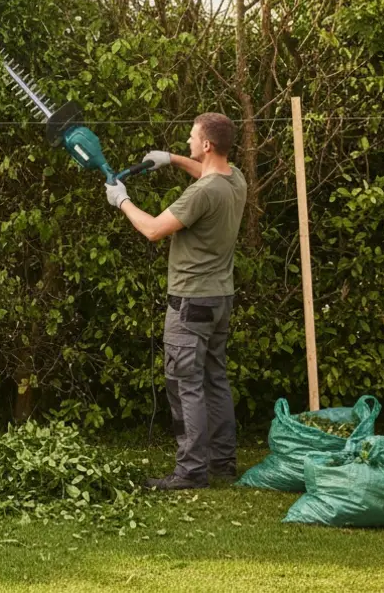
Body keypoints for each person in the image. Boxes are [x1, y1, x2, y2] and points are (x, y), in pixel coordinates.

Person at [103, 112, 247, 490]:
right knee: (214, 378)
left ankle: (191, 471)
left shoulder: (202, 194)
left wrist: (122, 201)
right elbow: (207, 175)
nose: (188, 142)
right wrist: (170, 159)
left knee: (185, 383)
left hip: (190, 302)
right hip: (220, 299)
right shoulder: (235, 180)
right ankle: (222, 463)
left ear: (207, 145)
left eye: (191, 139)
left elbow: (152, 230)